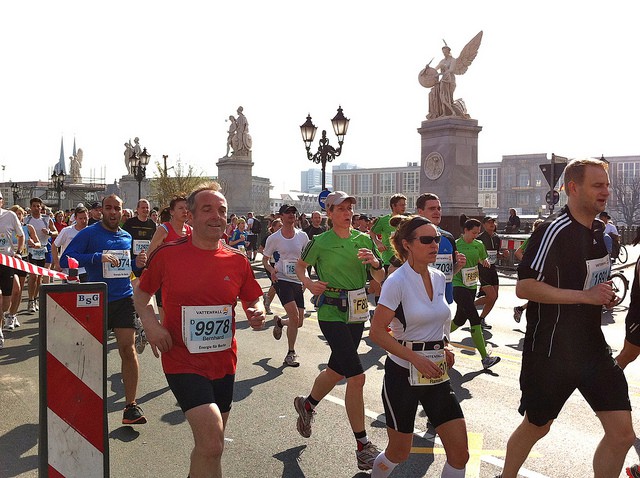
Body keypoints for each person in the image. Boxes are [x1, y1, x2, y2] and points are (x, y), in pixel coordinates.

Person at [500, 158, 634, 478]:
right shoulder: (553, 230)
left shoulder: (600, 231)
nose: (606, 191)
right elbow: (525, 287)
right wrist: (585, 297)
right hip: (551, 352)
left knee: (622, 435)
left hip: (592, 348)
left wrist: (602, 293)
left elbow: (589, 280)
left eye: (607, 184)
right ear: (573, 188)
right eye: (597, 185)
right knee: (537, 426)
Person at [133, 183, 265, 478]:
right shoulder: (167, 255)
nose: (216, 216)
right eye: (207, 209)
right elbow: (141, 296)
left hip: (223, 362)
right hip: (182, 359)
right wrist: (152, 326)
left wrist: (258, 310)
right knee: (211, 443)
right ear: (190, 216)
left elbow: (253, 297)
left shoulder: (238, 259)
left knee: (211, 446)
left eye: (222, 211)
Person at [370, 215, 468, 477]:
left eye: (436, 239)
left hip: (435, 374)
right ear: (407, 244)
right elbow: (377, 333)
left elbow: (436, 319)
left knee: (460, 454)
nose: (435, 244)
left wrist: (443, 347)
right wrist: (415, 358)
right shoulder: (396, 281)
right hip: (403, 375)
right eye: (426, 240)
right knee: (399, 452)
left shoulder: (438, 277)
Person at [293, 190, 385, 471]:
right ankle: (362, 446)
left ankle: (307, 406)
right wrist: (309, 284)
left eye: (350, 209)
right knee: (356, 378)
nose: (347, 213)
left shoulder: (365, 240)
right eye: (341, 209)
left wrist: (374, 264)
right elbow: (300, 266)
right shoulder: (319, 241)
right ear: (329, 213)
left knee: (336, 370)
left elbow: (380, 275)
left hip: (357, 312)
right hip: (331, 312)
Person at [61, 195, 148, 425]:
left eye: (116, 208)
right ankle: (83, 402)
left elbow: (126, 266)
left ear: (122, 212)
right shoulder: (90, 233)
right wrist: (97, 257)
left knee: (128, 349)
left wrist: (136, 264)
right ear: (101, 210)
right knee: (90, 354)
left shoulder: (126, 236)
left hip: (123, 299)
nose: (112, 212)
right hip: (96, 299)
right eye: (108, 208)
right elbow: (65, 258)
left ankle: (131, 407)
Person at [262, 204, 309, 367]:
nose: (291, 215)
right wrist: (272, 271)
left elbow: (307, 259)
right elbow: (265, 260)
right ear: (280, 216)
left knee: (299, 321)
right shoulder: (274, 238)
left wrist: (306, 278)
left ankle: (280, 323)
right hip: (282, 279)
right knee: (295, 316)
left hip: (297, 279)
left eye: (294, 212)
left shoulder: (302, 236)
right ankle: (291, 353)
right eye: (288, 212)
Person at [450, 216, 500, 370]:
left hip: (471, 285)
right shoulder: (456, 245)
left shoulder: (478, 244)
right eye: (473, 233)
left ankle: (437, 335)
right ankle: (485, 358)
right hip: (457, 284)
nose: (476, 236)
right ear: (465, 231)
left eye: (478, 233)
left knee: (459, 320)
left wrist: (483, 261)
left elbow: (482, 257)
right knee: (474, 317)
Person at [416, 193, 466, 306]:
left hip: (443, 301)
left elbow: (450, 272)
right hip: (419, 302)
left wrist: (459, 265)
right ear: (420, 211)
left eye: (439, 208)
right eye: (432, 208)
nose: (437, 212)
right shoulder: (409, 237)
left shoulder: (448, 237)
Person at [3, 206, 36, 330]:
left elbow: (37, 242)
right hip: (9, 261)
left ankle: (13, 314)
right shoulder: (6, 226)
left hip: (22, 259)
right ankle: (8, 314)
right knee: (14, 289)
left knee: (19, 290)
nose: (18, 216)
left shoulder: (27, 228)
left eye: (20, 214)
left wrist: (32, 245)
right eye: (16, 214)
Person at [25, 197, 57, 313]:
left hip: (44, 248)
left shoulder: (46, 219)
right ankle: (30, 300)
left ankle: (36, 299)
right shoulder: (26, 220)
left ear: (41, 207)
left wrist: (49, 232)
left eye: (38, 206)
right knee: (33, 275)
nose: (36, 208)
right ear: (31, 207)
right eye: (34, 206)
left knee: (40, 276)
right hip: (31, 250)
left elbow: (56, 233)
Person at [0, 196, 25, 347]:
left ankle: (4, 315)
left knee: (5, 303)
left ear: (1, 201)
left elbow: (21, 236)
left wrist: (18, 252)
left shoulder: (10, 215)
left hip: (7, 262)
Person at [475, 216, 505, 329]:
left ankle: (481, 318)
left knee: (495, 296)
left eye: (493, 222)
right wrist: (482, 261)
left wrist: (503, 255)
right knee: (491, 296)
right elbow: (475, 254)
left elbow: (496, 254)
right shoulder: (480, 238)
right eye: (489, 222)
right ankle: (469, 307)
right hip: (483, 270)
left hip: (493, 269)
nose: (492, 224)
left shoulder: (497, 238)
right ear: (484, 225)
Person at [512, 219, 543, 323]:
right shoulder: (531, 239)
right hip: (532, 271)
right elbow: (518, 252)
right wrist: (528, 263)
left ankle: (521, 309)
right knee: (538, 295)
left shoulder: (545, 240)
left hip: (540, 270)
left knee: (539, 295)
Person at [52, 206, 89, 281]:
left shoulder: (90, 231)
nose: (83, 221)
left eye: (85, 218)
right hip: (68, 271)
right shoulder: (67, 231)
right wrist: (57, 264)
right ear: (75, 218)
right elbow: (54, 246)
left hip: (86, 270)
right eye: (81, 218)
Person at [123, 199, 157, 278]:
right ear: (137, 209)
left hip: (146, 260)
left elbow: (155, 240)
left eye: (147, 208)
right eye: (143, 208)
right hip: (133, 259)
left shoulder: (152, 224)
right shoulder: (130, 223)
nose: (145, 210)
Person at [259, 218, 282, 315]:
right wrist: (268, 254)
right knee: (276, 283)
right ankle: (267, 303)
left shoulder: (282, 237)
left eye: (282, 226)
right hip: (270, 263)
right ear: (273, 227)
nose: (281, 228)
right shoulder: (269, 238)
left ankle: (267, 301)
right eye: (279, 226)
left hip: (279, 263)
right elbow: (260, 249)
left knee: (276, 284)